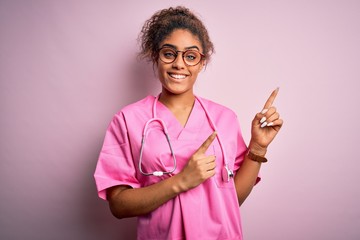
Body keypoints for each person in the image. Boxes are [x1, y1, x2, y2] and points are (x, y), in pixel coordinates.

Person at [94, 6, 283, 240]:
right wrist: (181, 181)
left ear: (201, 62)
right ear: (156, 56)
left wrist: (258, 147)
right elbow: (119, 206)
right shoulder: (128, 120)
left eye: (191, 56)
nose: (179, 64)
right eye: (169, 53)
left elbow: (231, 199)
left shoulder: (224, 119)